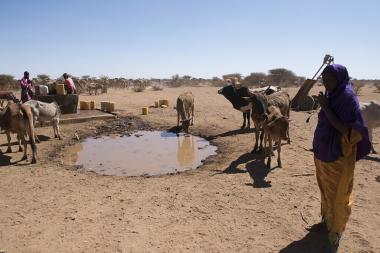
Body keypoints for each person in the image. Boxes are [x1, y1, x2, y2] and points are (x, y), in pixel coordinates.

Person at [313, 64, 371, 252]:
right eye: (323, 78)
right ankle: (327, 220)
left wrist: (325, 107)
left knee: (339, 194)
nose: (325, 82)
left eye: (329, 78)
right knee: (325, 190)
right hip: (323, 152)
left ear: (340, 78)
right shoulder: (332, 94)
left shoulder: (347, 98)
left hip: (338, 155)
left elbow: (345, 129)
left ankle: (336, 231)